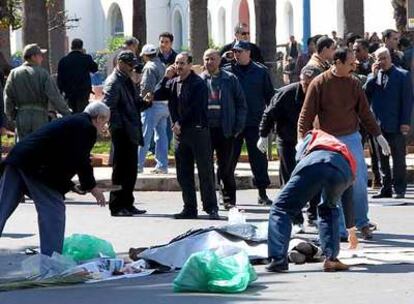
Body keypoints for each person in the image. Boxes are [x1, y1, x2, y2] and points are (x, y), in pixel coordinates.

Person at [298, 47, 391, 240]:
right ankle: (337, 229)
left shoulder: (354, 83)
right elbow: (306, 115)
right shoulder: (319, 83)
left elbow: (365, 113)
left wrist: (378, 135)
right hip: (328, 140)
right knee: (332, 183)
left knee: (358, 181)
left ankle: (362, 222)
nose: (354, 67)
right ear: (337, 63)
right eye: (350, 64)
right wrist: (302, 140)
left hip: (351, 137)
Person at [0, 101, 108, 256]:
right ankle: (51, 263)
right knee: (53, 211)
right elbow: (81, 159)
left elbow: (63, 157)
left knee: (2, 206)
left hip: (18, 158)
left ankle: (50, 260)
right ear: (98, 118)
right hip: (35, 166)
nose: (104, 127)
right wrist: (92, 187)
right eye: (105, 122)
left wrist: (70, 185)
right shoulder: (87, 128)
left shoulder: (74, 122)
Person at [267, 129, 357, 273]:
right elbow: (348, 197)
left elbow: (301, 163)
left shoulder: (313, 135)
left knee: (281, 208)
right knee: (329, 208)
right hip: (343, 171)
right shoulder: (343, 149)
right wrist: (351, 229)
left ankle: (278, 260)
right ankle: (331, 259)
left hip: (313, 164)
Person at [258, 65, 322, 230]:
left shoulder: (324, 93)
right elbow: (269, 113)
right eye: (304, 83)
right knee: (291, 180)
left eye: (311, 83)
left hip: (313, 141)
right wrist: (263, 135)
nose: (306, 87)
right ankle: (295, 218)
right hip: (288, 140)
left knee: (315, 178)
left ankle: (313, 214)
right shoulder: (286, 94)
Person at [158, 52, 219, 219]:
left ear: (190, 65)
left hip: (197, 131)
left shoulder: (198, 83)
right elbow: (158, 95)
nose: (179, 67)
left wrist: (180, 122)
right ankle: (189, 207)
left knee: (205, 171)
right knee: (183, 173)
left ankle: (211, 207)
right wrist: (165, 77)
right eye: (177, 63)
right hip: (180, 134)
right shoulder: (173, 82)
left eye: (182, 63)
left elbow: (196, 108)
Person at [224, 41, 274, 205]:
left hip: (255, 121)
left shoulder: (260, 72)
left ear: (248, 52)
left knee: (259, 159)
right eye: (235, 51)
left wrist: (270, 120)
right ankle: (226, 194)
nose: (237, 54)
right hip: (234, 123)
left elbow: (269, 97)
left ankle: (262, 192)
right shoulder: (228, 71)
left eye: (240, 51)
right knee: (229, 159)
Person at [200, 49, 247, 210]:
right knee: (206, 167)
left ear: (219, 60)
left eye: (212, 59)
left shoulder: (230, 79)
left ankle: (228, 200)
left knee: (225, 167)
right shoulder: (199, 81)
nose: (209, 62)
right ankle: (210, 201)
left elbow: (241, 104)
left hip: (225, 129)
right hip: (205, 130)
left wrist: (238, 126)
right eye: (206, 59)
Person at [103, 50, 149, 217]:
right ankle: (116, 205)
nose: (132, 68)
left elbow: (135, 104)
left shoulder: (127, 80)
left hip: (131, 130)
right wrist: (118, 127)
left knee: (130, 170)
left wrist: (146, 102)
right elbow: (109, 109)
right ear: (120, 63)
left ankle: (128, 203)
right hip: (121, 131)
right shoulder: (113, 82)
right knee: (120, 171)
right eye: (129, 65)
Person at [364, 47, 413, 199]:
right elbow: (364, 94)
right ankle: (386, 188)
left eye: (384, 58)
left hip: (396, 123)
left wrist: (405, 122)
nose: (382, 61)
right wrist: (372, 76)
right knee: (381, 158)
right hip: (378, 125)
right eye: (379, 58)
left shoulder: (403, 75)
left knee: (398, 158)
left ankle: (399, 188)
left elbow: (407, 101)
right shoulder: (373, 77)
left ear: (390, 58)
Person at [4, 44, 71, 141]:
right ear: (33, 57)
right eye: (40, 55)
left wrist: (12, 115)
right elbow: (55, 97)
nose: (42, 58)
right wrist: (67, 114)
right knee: (39, 147)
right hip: (40, 116)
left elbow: (8, 97)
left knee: (23, 147)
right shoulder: (43, 74)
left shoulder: (14, 74)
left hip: (22, 115)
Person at [137, 44, 168, 174]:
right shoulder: (162, 65)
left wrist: (141, 101)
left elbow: (146, 88)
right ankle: (162, 166)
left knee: (144, 136)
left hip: (152, 105)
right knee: (161, 136)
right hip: (164, 105)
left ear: (145, 55)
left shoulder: (149, 67)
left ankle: (137, 165)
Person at [57, 39, 99, 113]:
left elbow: (60, 78)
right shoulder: (86, 58)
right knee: (82, 114)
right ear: (81, 47)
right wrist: (85, 54)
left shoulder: (64, 60)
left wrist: (60, 91)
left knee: (70, 114)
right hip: (83, 93)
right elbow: (95, 69)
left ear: (71, 47)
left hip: (69, 93)